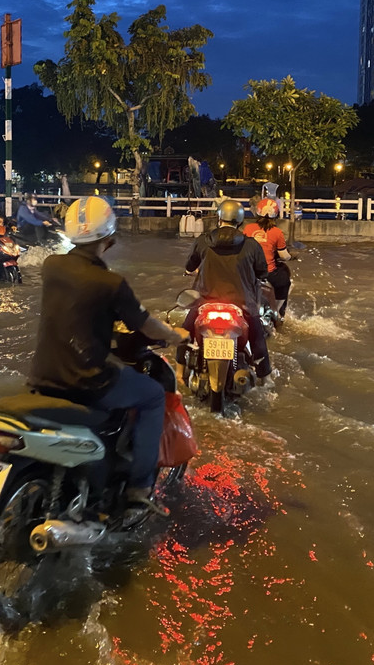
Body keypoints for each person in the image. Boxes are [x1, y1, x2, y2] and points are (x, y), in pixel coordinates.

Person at [28, 196, 188, 515]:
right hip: (85, 381)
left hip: (42, 376)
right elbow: (147, 326)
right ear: (109, 240)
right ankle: (140, 487)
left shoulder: (51, 266)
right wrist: (174, 334)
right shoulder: (110, 283)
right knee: (153, 396)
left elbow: (78, 314)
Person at [180, 199, 271, 381]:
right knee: (257, 335)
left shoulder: (203, 241)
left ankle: (179, 374)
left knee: (184, 333)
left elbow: (190, 265)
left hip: (205, 302)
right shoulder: (252, 245)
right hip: (242, 302)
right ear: (239, 221)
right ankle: (265, 377)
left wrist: (191, 270)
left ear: (219, 218)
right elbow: (262, 272)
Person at [243, 197, 294, 319]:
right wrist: (291, 257)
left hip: (247, 272)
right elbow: (284, 255)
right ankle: (279, 313)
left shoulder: (248, 228)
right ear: (275, 214)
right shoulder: (277, 232)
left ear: (258, 212)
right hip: (268, 273)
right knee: (284, 282)